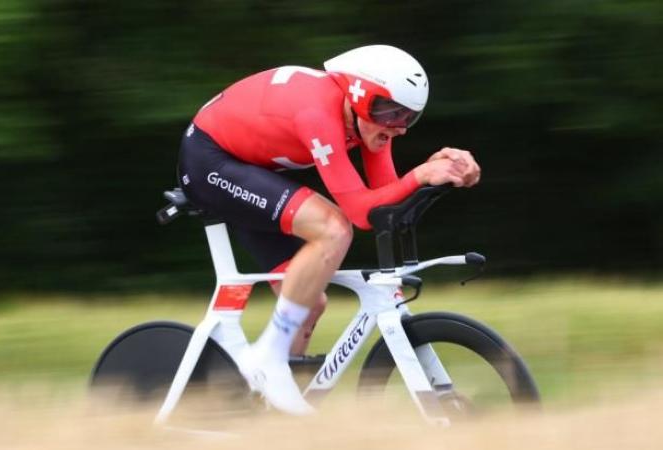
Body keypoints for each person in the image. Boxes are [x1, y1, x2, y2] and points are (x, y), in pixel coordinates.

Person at [177, 45, 481, 415]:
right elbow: (359, 213)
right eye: (390, 111)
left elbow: (384, 203)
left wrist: (436, 169)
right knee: (334, 228)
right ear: (358, 95)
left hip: (252, 167)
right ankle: (268, 357)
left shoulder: (369, 122)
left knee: (308, 303)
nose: (397, 126)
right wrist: (420, 175)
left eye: (409, 117)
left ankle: (269, 414)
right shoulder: (318, 113)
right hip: (210, 160)